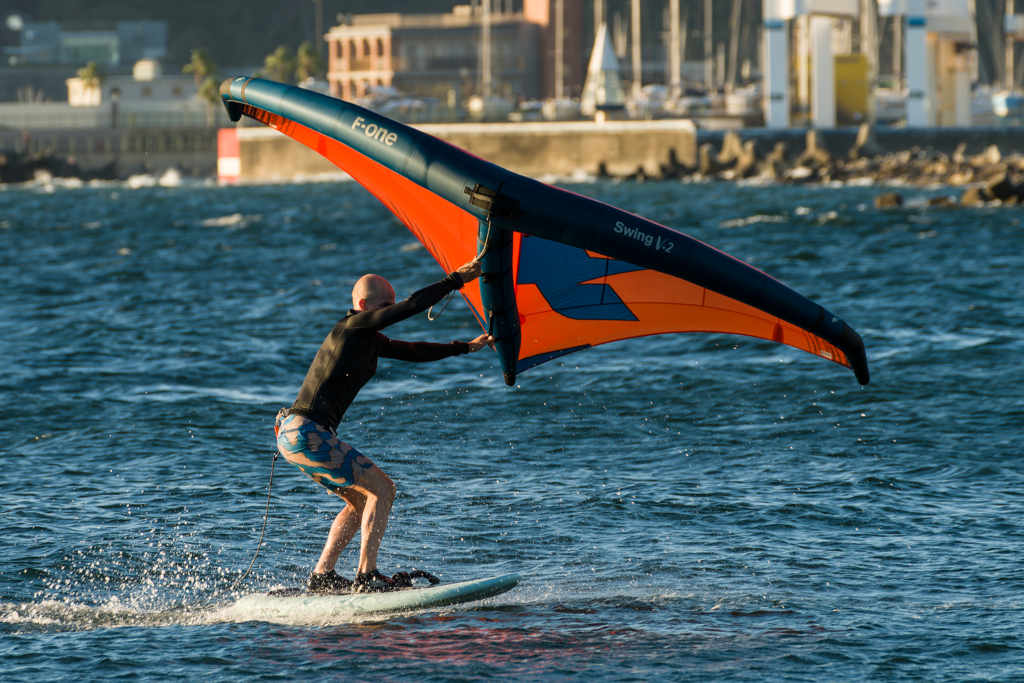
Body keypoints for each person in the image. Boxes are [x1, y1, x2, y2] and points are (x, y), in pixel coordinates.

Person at [275, 259, 493, 593]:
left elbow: (416, 351)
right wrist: (455, 280)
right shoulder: (353, 327)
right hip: (305, 431)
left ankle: (323, 576)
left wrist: (466, 347)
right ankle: (367, 575)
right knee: (384, 489)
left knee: (360, 500)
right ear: (363, 306)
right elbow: (411, 306)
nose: (389, 312)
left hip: (296, 436)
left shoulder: (370, 341)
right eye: (384, 307)